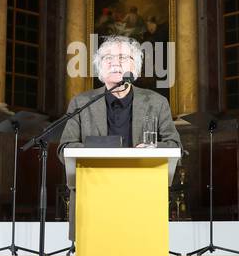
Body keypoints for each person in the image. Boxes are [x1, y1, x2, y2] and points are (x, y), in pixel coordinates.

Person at [57, 34, 181, 162]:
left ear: (136, 69)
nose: (115, 63)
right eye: (108, 57)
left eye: (123, 57)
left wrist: (151, 150)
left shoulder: (157, 102)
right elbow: (65, 148)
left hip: (142, 178)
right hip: (95, 178)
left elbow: (175, 145)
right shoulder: (80, 103)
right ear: (100, 69)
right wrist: (99, 150)